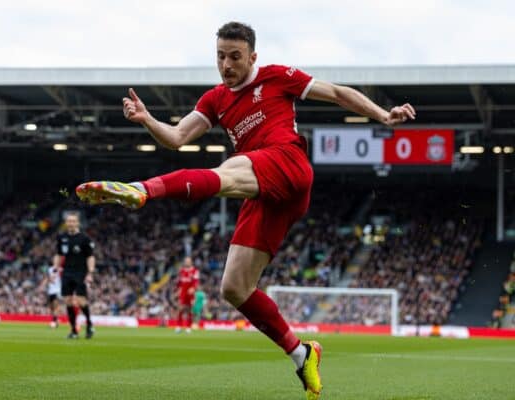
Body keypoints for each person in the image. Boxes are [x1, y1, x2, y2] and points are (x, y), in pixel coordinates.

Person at [76, 21, 415, 399]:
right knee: (234, 287)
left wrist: (383, 115)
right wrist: (147, 119)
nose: (226, 65)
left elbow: (335, 92)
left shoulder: (277, 77)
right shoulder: (215, 100)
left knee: (225, 172)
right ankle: (302, 354)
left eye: (235, 57)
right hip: (262, 191)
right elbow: (176, 137)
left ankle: (143, 190)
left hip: (287, 164)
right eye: (220, 56)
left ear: (252, 56)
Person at [54, 213, 96, 339]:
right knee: (67, 301)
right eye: (69, 221)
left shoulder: (84, 238)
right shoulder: (62, 237)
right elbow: (58, 254)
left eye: (73, 221)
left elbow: (90, 256)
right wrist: (55, 267)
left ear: (77, 223)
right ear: (66, 223)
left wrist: (90, 273)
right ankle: (74, 330)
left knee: (80, 300)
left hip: (81, 272)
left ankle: (89, 324)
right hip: (66, 272)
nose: (71, 223)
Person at [175, 256, 199, 333]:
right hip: (183, 292)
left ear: (191, 262)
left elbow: (196, 282)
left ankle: (188, 327)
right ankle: (179, 326)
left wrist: (193, 288)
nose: (187, 262)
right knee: (180, 309)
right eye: (186, 261)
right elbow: (179, 282)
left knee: (189, 310)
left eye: (188, 261)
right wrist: (178, 290)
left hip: (190, 293)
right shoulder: (181, 271)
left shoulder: (195, 271)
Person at [39, 264, 62, 328]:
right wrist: (42, 285)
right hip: (50, 291)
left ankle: (54, 321)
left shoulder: (59, 269)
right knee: (52, 307)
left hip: (57, 290)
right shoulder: (50, 269)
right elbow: (47, 278)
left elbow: (49, 278)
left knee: (55, 306)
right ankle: (56, 319)